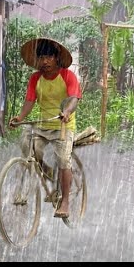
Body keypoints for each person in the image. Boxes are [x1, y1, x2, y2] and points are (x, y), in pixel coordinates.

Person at [9, 38, 82, 218]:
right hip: (42, 125)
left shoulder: (67, 76)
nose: (45, 61)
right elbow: (30, 101)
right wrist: (20, 117)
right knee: (27, 146)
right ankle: (45, 170)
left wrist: (66, 111)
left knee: (64, 160)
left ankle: (64, 202)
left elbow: (74, 98)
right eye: (41, 57)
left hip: (62, 124)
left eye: (49, 57)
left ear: (57, 58)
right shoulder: (35, 78)